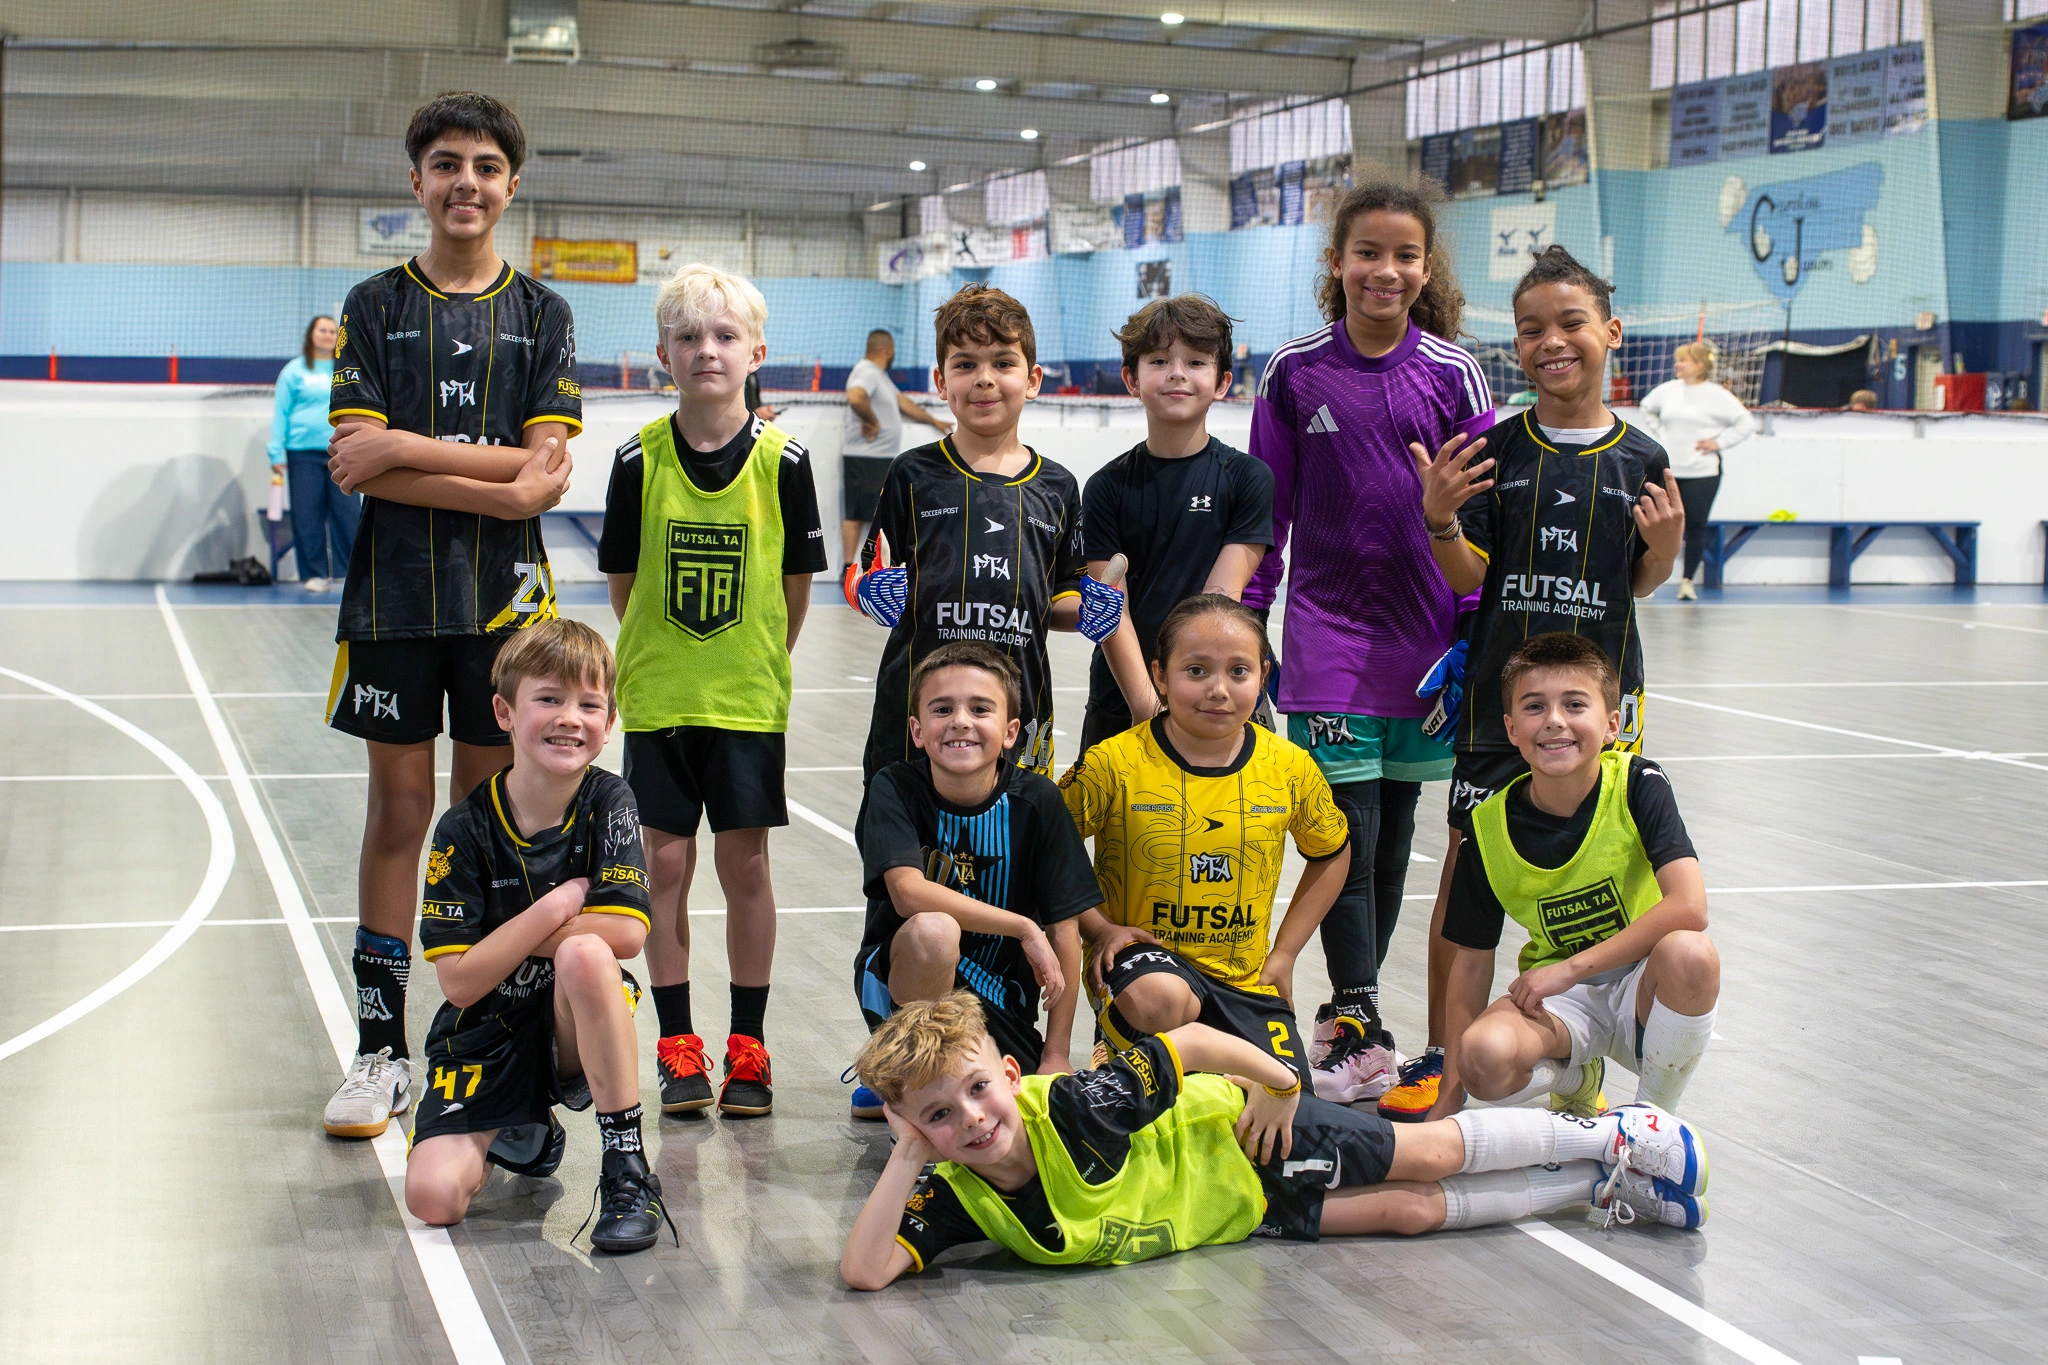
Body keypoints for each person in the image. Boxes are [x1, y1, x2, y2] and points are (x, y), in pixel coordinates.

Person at [321, 91, 580, 1140]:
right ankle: (379, 1051)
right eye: (444, 163)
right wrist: (504, 487)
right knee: (395, 813)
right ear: (413, 181)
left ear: (511, 186)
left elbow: (541, 466)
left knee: (490, 829)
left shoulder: (544, 314)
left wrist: (407, 456)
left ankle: (484, 1050)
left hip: (504, 614)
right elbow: (352, 459)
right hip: (393, 600)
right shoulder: (374, 304)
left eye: (483, 165)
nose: (464, 181)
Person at [839, 992, 1707, 1287]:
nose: (974, 1120)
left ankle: (1611, 1130)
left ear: (1008, 1069)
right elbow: (865, 1271)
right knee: (1407, 1213)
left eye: (979, 1087)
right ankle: (1595, 1186)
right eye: (940, 1115)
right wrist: (909, 1155)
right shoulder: (959, 1187)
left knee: (1432, 1152)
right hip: (1239, 1207)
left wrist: (1281, 1081)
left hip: (1242, 1132)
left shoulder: (1076, 1105)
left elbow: (1193, 1046)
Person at [1406, 243, 1685, 1123]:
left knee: (1608, 876)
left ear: (1610, 330)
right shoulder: (1496, 448)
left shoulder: (1643, 456)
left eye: (1570, 323)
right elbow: (1465, 577)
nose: (1551, 341)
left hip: (1597, 711)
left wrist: (1668, 550)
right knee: (1463, 894)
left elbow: (1635, 583)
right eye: (1531, 330)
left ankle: (1589, 1044)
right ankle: (1449, 1070)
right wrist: (1440, 516)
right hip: (1501, 711)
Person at [1244, 177, 1495, 1105]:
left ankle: (1350, 1013)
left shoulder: (1455, 374)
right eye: (1368, 252)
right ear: (1336, 262)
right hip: (1327, 639)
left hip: (1426, 643)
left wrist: (1473, 631)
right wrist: (1251, 623)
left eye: (1404, 256)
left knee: (1394, 843)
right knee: (1344, 835)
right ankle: (1358, 1011)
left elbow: (1482, 517)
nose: (1385, 271)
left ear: (1425, 269)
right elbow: (1267, 514)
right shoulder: (1296, 371)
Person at [597, 263, 826, 1118]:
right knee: (661, 864)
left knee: (745, 866)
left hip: (745, 700)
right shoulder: (637, 459)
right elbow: (624, 582)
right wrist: (659, 660)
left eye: (725, 336)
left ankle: (751, 1042)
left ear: (756, 350)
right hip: (661, 697)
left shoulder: (785, 460)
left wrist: (757, 659)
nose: (707, 350)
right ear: (663, 352)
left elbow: (796, 590)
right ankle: (677, 1041)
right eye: (689, 336)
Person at [403, 618, 671, 1255]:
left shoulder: (611, 800)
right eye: (548, 699)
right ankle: (520, 1130)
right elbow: (461, 982)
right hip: (483, 1034)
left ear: (609, 724)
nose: (569, 718)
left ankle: (627, 1170)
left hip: (570, 1024)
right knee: (433, 1200)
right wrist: (558, 901)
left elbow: (627, 934)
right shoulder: (463, 829)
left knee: (587, 953)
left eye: (589, 704)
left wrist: (503, 938)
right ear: (504, 711)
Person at [1060, 596, 1349, 1091]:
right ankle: (1124, 1043)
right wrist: (1098, 926)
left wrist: (1284, 954)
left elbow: (1333, 852)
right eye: (1196, 671)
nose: (1218, 690)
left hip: (1243, 980)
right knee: (1162, 1000)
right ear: (1160, 675)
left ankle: (1193, 1072)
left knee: (1287, 1113)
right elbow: (1047, 848)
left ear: (1262, 676)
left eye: (1238, 671)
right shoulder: (1114, 763)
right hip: (1143, 970)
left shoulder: (1289, 766)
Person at [1430, 634, 1718, 1123]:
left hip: (1645, 986)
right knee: (1482, 1058)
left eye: (1575, 704)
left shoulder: (1639, 784)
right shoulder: (1486, 828)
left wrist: (1568, 968)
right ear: (1512, 728)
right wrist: (1449, 1099)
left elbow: (1690, 907)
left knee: (1690, 952)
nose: (1555, 720)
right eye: (1535, 706)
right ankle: (1576, 1078)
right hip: (1560, 1001)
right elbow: (1471, 964)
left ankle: (1651, 1125)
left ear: (1611, 725)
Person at [849, 284, 1100, 782]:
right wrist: (866, 590)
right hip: (912, 719)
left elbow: (1061, 597)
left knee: (1015, 851)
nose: (984, 379)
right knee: (902, 850)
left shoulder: (1059, 487)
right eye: (966, 365)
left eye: (1003, 363)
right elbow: (862, 574)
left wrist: (1094, 608)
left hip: (1018, 716)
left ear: (1032, 380)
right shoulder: (912, 474)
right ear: (942, 382)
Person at [851, 643, 1098, 1118]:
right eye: (942, 709)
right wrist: (1025, 927)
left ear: (1009, 733)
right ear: (917, 731)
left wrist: (1056, 1053)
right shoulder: (896, 786)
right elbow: (907, 893)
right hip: (902, 981)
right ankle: (910, 1081)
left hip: (999, 999)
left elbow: (1066, 927)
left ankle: (911, 1078)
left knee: (1020, 1113)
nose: (961, 720)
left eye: (979, 709)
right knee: (934, 930)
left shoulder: (1038, 801)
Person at [1075, 295, 1274, 759]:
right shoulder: (1106, 486)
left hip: (1214, 700)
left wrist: (1187, 700)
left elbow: (1219, 600)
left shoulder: (1247, 478)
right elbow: (1111, 609)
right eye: (1159, 360)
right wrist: (1148, 707)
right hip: (1123, 695)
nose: (1177, 372)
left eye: (1196, 361)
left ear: (1223, 382)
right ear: (1131, 378)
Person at [840, 328, 953, 603]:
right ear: (888, 350)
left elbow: (904, 404)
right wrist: (873, 421)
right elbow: (856, 397)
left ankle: (871, 568)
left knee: (873, 513)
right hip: (865, 455)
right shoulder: (866, 371)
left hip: (876, 457)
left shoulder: (880, 378)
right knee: (859, 513)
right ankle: (852, 570)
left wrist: (933, 421)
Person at [1637, 341, 1755, 601]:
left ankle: (1687, 582)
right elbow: (1646, 407)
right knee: (1652, 523)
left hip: (1702, 473)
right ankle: (1647, 583)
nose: (1677, 364)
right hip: (1669, 471)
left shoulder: (1718, 395)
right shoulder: (1667, 391)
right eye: (1677, 360)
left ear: (1700, 365)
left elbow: (1745, 422)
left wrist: (1718, 443)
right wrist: (1660, 433)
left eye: (1684, 360)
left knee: (1696, 527)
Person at [268, 315, 356, 592]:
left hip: (341, 451)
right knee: (307, 516)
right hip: (302, 454)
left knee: (349, 515)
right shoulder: (294, 371)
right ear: (311, 334)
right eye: (323, 330)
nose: (328, 335)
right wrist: (275, 453)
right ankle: (314, 574)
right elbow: (281, 412)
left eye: (332, 331)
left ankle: (349, 575)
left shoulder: (346, 369)